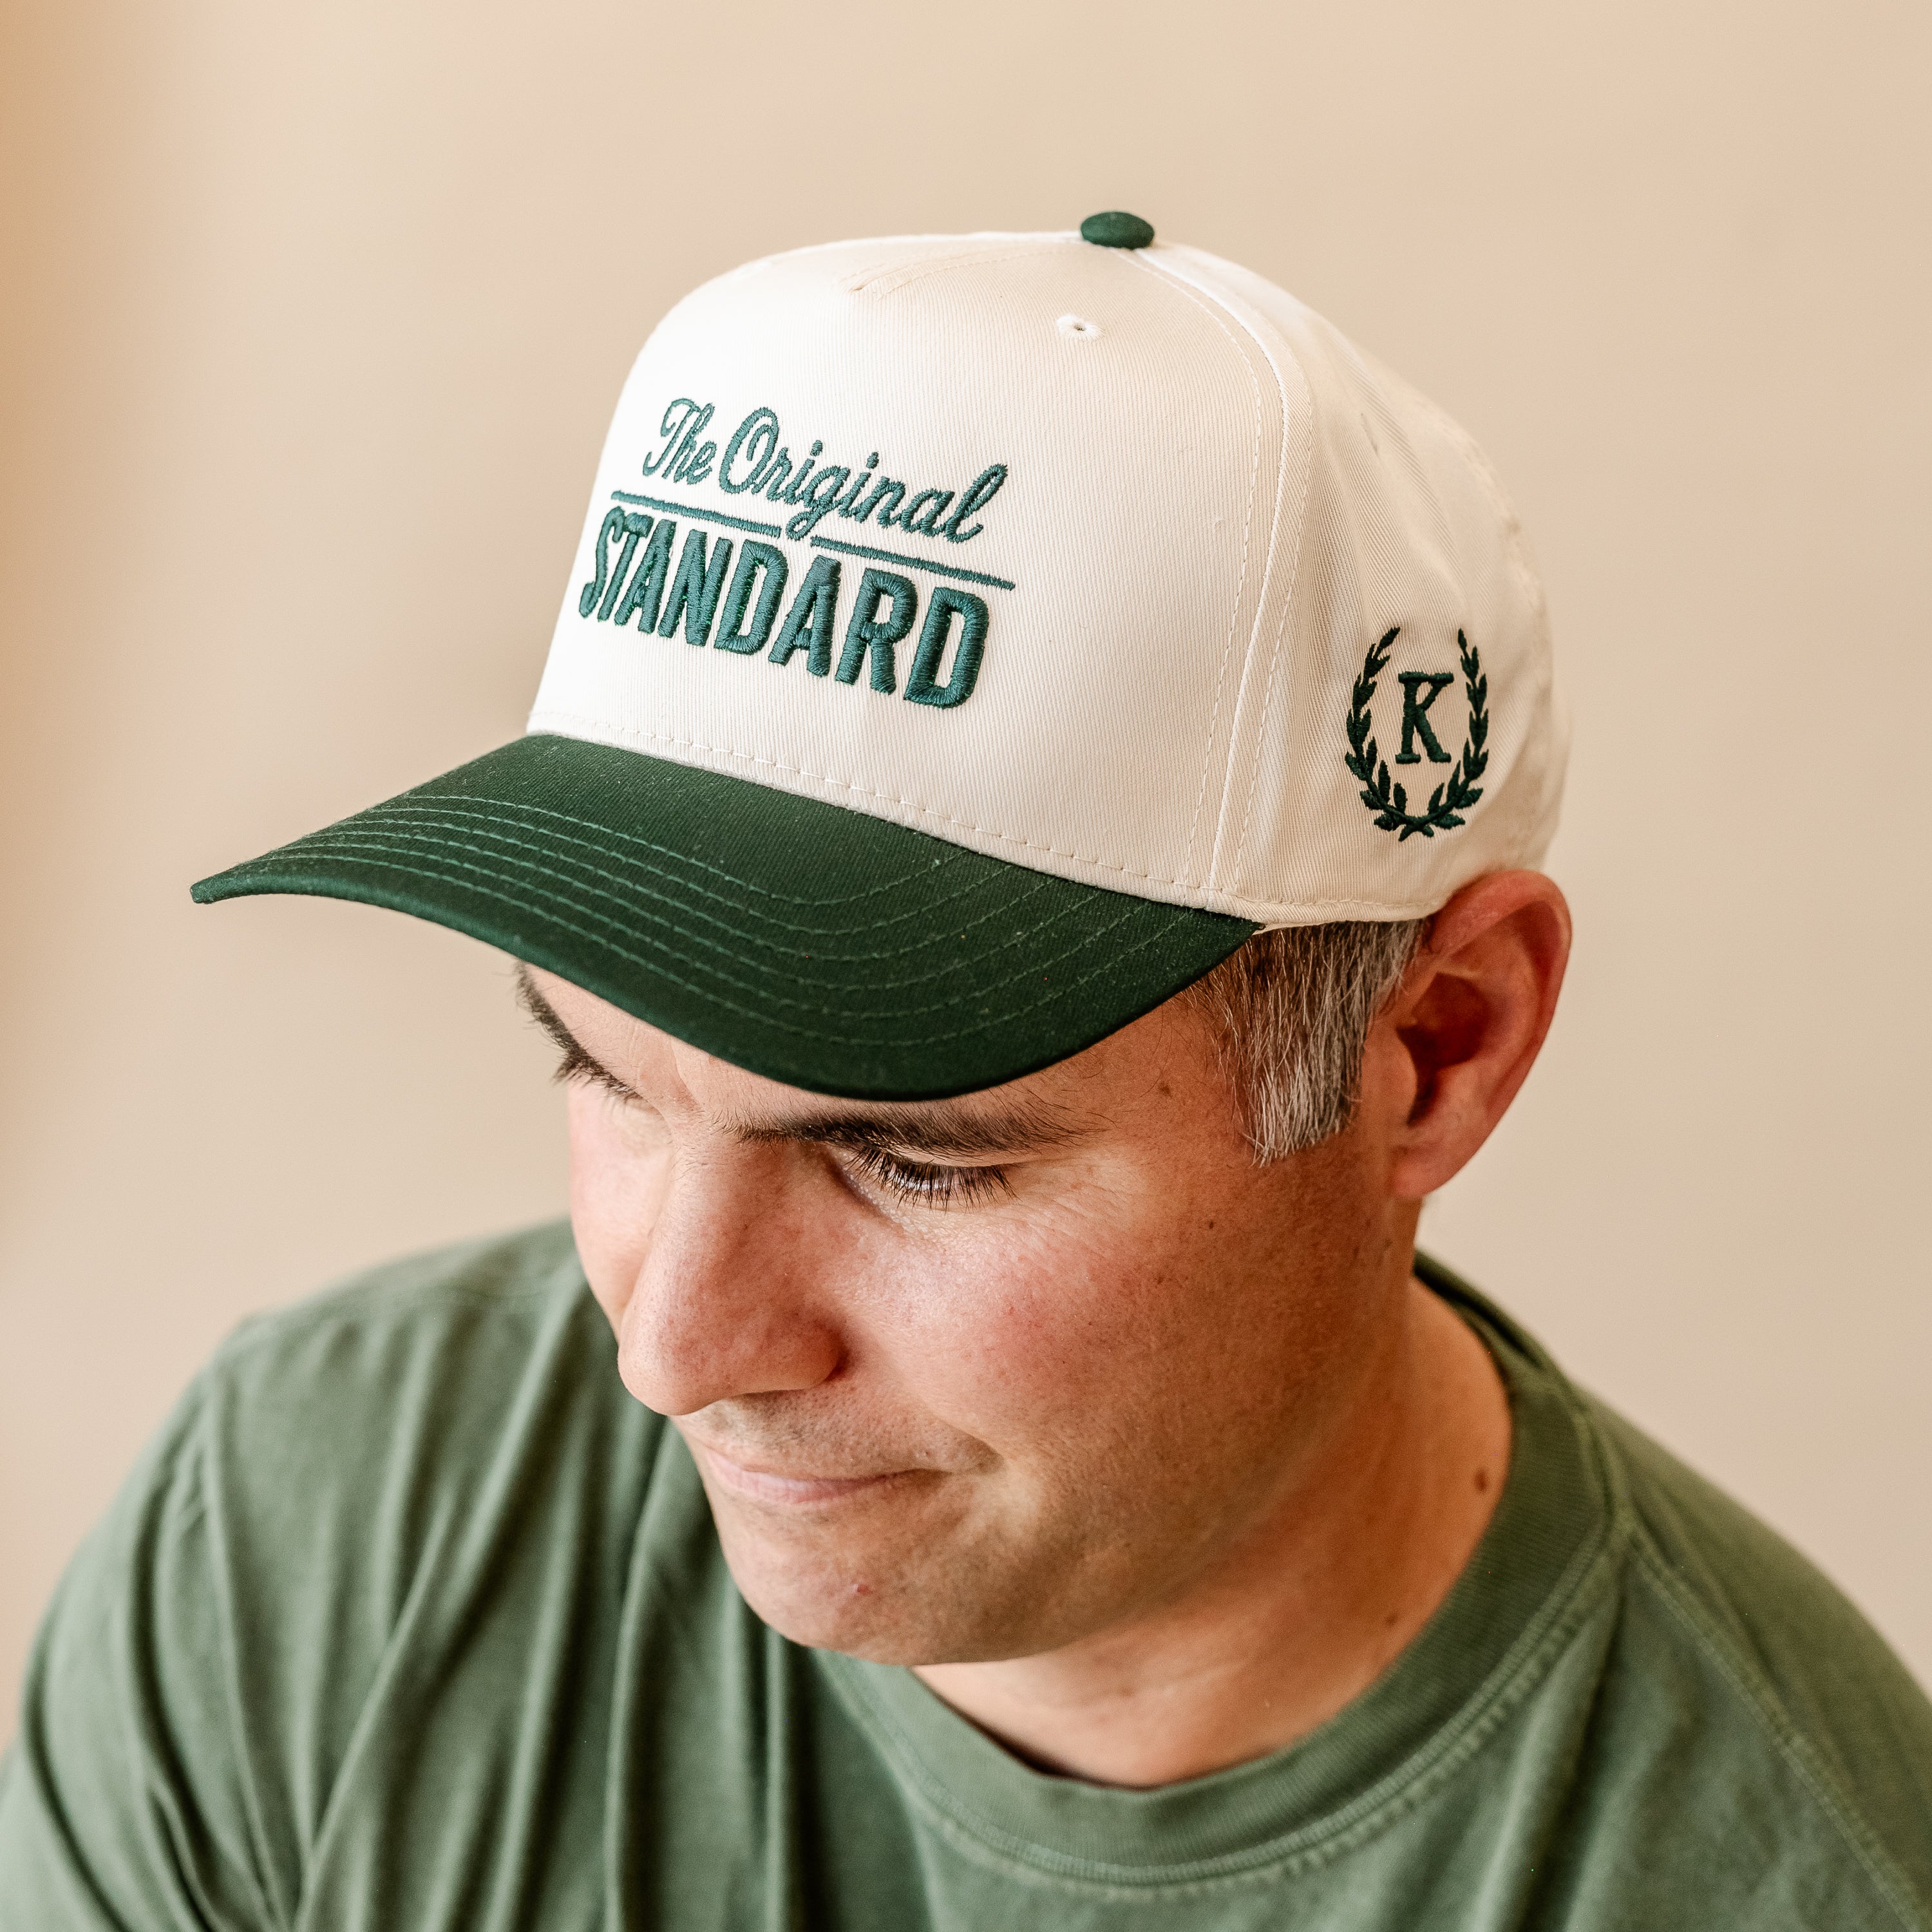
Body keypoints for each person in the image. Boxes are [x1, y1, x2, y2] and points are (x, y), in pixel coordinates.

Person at [2, 211, 1927, 1931]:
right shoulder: (312, 1543)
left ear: (1436, 1050)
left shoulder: (1788, 1875)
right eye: (606, 1074)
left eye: (915, 1160)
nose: (673, 1352)